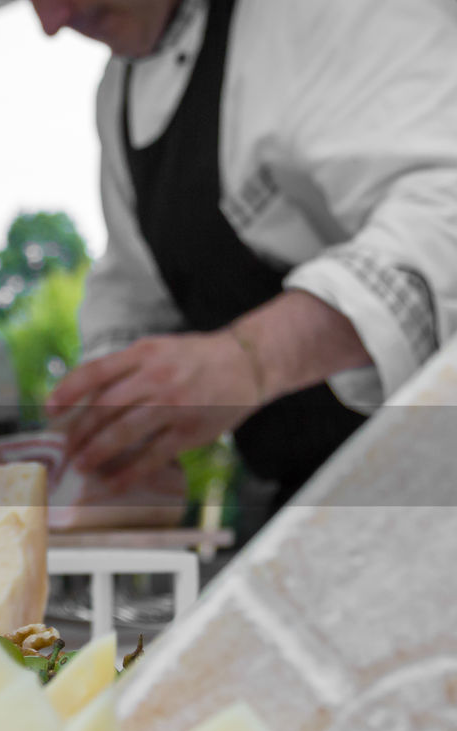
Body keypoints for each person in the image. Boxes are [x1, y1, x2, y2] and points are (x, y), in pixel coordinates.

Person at [34, 0, 457, 509]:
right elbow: (133, 293)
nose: (51, 22)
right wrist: (112, 417)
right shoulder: (119, 95)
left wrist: (247, 361)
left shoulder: (325, 14)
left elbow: (442, 215)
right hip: (318, 499)